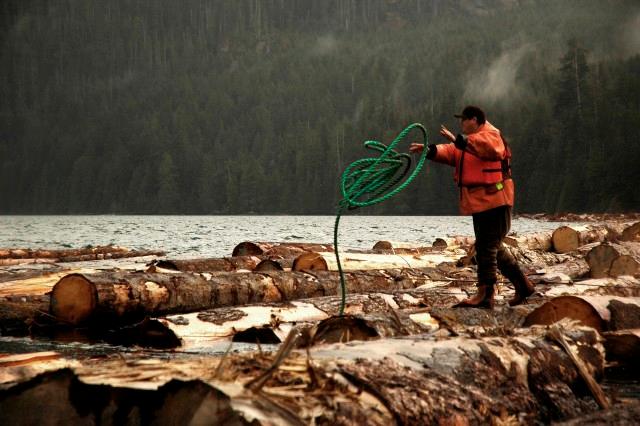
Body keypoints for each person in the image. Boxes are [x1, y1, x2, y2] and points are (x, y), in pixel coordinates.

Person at [409, 105, 534, 308]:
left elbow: (491, 149)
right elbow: (450, 152)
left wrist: (459, 139)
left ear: (475, 120)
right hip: (482, 201)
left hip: (496, 199)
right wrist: (429, 150)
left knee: (486, 247)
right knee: (492, 246)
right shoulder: (467, 143)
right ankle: (523, 286)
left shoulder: (491, 135)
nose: (461, 124)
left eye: (464, 120)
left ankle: (485, 294)